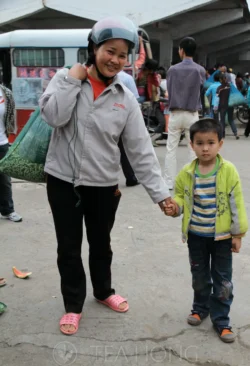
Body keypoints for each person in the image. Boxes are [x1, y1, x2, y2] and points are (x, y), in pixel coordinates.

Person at [39, 16, 173, 336]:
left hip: (103, 185)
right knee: (69, 248)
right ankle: (73, 305)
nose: (115, 60)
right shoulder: (65, 78)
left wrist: (161, 194)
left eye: (123, 55)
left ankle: (103, 291)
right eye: (109, 51)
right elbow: (54, 117)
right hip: (64, 182)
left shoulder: (124, 98)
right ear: (94, 48)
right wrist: (73, 80)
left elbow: (141, 151)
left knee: (101, 244)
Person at [165, 118, 248, 343]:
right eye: (199, 143)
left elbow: (236, 203)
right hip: (196, 236)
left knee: (223, 281)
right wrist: (175, 206)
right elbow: (181, 196)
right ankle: (200, 308)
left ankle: (221, 320)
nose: (205, 148)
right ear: (191, 144)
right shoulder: (187, 172)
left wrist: (238, 234)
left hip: (222, 238)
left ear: (220, 144)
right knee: (199, 276)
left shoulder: (228, 171)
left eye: (210, 142)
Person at [163, 37, 206, 190]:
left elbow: (170, 88)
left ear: (181, 50)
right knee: (193, 148)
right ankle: (191, 180)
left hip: (175, 113)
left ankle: (169, 182)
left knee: (171, 149)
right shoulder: (199, 70)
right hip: (192, 114)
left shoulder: (172, 70)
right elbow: (202, 87)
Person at [0, 82, 22, 222]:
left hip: (1, 142)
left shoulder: (5, 93)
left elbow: (10, 116)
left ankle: (8, 210)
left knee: (4, 180)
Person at [117, 70, 140, 186]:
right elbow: (134, 99)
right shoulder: (127, 78)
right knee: (124, 150)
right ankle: (130, 177)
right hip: (123, 118)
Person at [216, 73, 239, 140]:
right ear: (226, 79)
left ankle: (222, 135)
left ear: (220, 80)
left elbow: (217, 97)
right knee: (230, 119)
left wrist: (215, 107)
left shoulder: (219, 88)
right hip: (230, 105)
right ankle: (235, 133)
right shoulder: (230, 86)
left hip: (222, 105)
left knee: (222, 120)